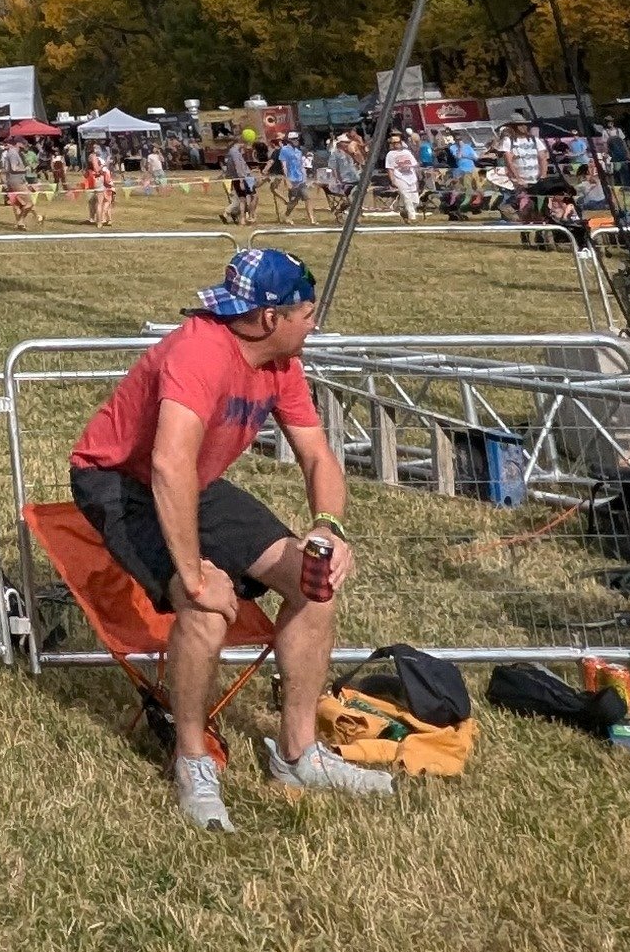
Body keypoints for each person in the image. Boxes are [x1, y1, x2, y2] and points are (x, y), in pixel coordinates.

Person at [62, 244, 394, 830]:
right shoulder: (201, 351)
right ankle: (193, 760)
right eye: (308, 313)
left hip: (195, 480)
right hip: (117, 480)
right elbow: (167, 466)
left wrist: (328, 528)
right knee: (207, 604)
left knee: (313, 581)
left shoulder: (281, 364)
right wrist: (191, 573)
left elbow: (317, 455)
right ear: (273, 318)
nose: (314, 323)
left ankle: (298, 755)